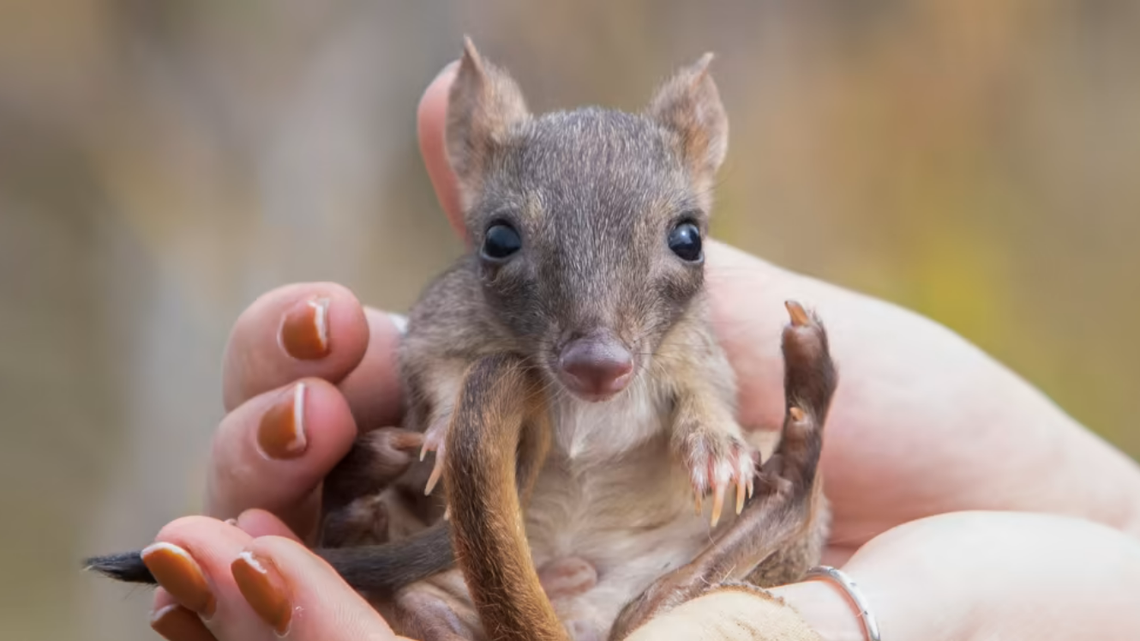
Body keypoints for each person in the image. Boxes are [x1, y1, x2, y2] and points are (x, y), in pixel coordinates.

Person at [135, 62, 1140, 641]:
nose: (602, 341)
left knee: (785, 480)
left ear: (699, 154)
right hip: (500, 581)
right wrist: (443, 410)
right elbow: (438, 352)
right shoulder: (474, 319)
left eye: (679, 247)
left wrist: (711, 430)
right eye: (507, 247)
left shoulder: (678, 337)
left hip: (665, 568)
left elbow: (698, 379)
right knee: (375, 525)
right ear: (474, 155)